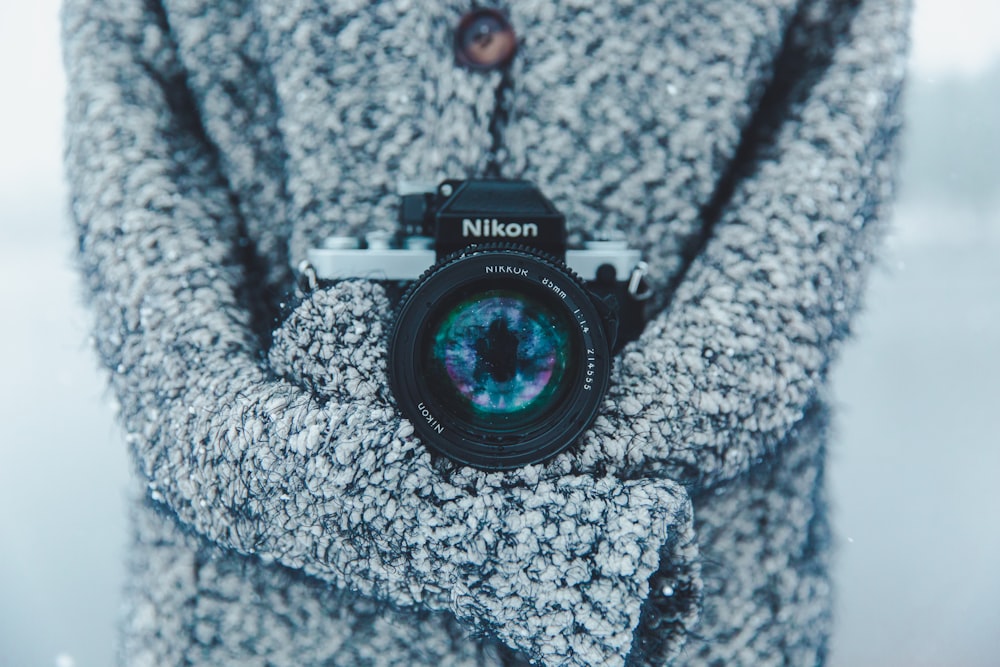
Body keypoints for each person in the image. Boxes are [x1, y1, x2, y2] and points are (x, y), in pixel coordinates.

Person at [62, 0, 909, 664]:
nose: (495, 352)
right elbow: (144, 206)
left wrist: (338, 471)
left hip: (697, 591)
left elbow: (818, 183)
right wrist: (582, 527)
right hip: (269, 615)